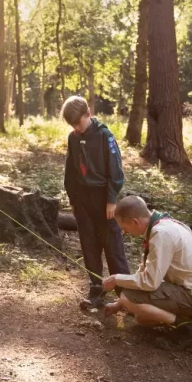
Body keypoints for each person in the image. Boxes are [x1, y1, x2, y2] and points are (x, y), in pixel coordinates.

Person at [103, 195, 192, 350]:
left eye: (124, 228)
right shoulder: (162, 224)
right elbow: (146, 271)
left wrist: (116, 280)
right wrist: (119, 305)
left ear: (135, 222)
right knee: (142, 318)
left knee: (128, 297)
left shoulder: (162, 234)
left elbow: (150, 282)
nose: (125, 232)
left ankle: (186, 329)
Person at [62, 95, 130, 310]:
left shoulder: (104, 135)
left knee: (112, 246)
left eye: (78, 123)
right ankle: (96, 292)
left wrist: (111, 199)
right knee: (89, 245)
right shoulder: (73, 138)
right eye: (72, 125)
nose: (76, 128)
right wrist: (73, 198)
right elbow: (70, 170)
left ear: (88, 114)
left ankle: (125, 296)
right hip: (83, 198)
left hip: (103, 198)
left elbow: (116, 171)